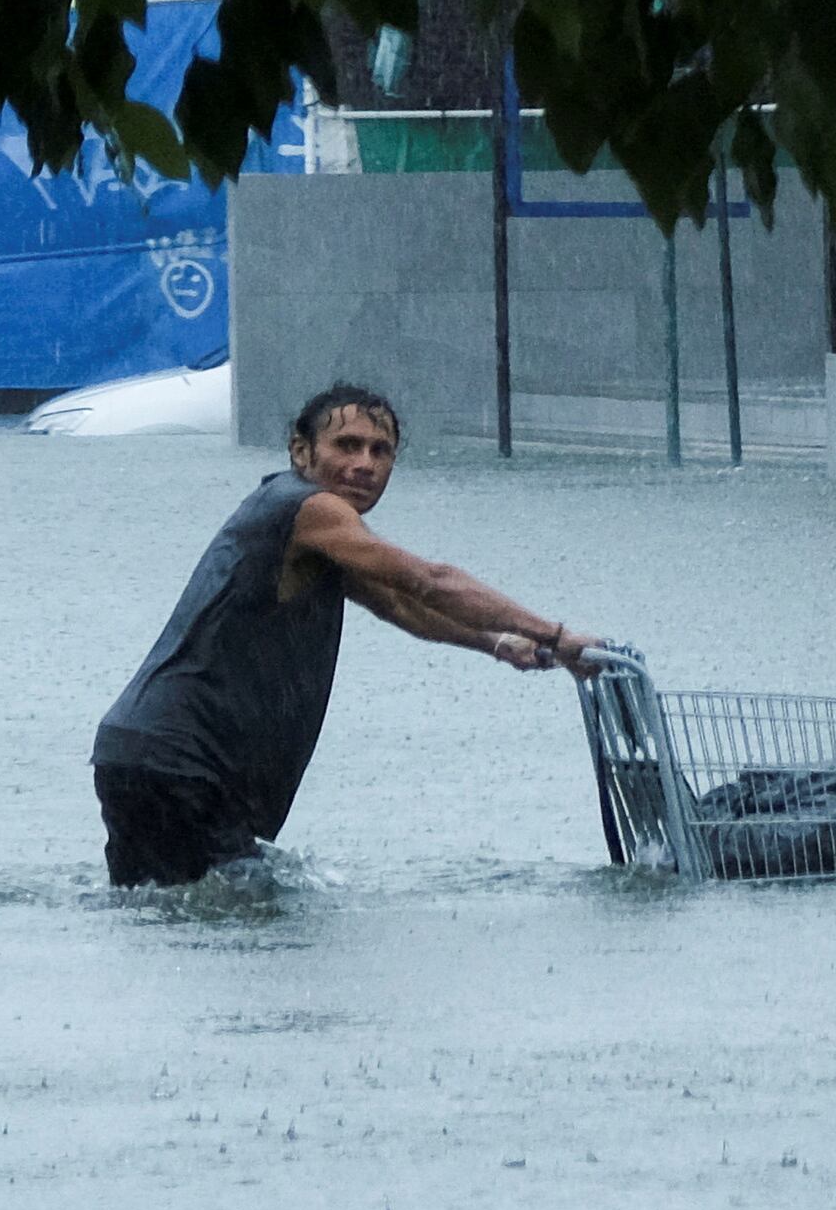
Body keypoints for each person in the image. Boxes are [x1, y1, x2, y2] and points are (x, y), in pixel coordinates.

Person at [90, 381, 602, 888]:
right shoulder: (310, 507)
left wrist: (494, 643)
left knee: (175, 921)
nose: (365, 464)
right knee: (241, 925)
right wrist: (554, 634)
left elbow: (401, 603)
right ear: (300, 451)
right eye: (347, 445)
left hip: (146, 755)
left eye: (381, 451)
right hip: (182, 763)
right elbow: (430, 580)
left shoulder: (310, 530)